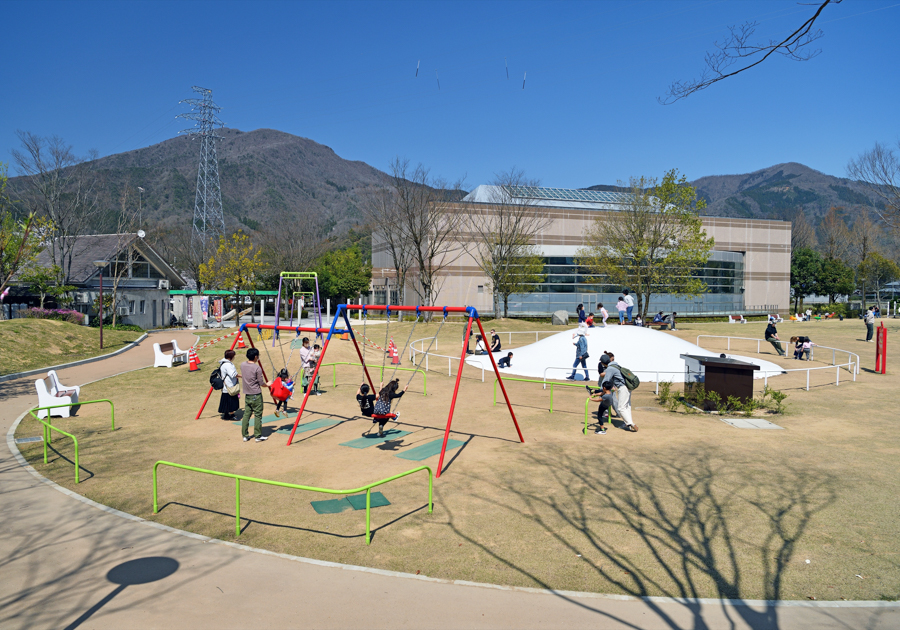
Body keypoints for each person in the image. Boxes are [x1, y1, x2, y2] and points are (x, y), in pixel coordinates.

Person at [597, 353, 637, 432]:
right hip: (628, 387)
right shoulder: (616, 365)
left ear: (602, 363)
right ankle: (627, 423)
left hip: (623, 388)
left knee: (621, 408)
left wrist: (597, 391)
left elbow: (605, 381)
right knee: (627, 406)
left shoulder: (609, 369)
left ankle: (631, 424)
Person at [241, 348, 273, 442]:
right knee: (258, 415)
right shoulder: (257, 368)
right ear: (256, 357)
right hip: (256, 394)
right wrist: (268, 384)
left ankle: (245, 435)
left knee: (247, 414)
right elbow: (261, 382)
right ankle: (258, 436)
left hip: (247, 394)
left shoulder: (242, 365)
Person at [217, 349, 240, 420]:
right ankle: (232, 415)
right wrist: (243, 376)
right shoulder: (228, 365)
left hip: (226, 386)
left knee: (226, 402)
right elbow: (233, 374)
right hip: (229, 385)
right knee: (231, 402)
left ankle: (226, 414)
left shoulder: (223, 363)